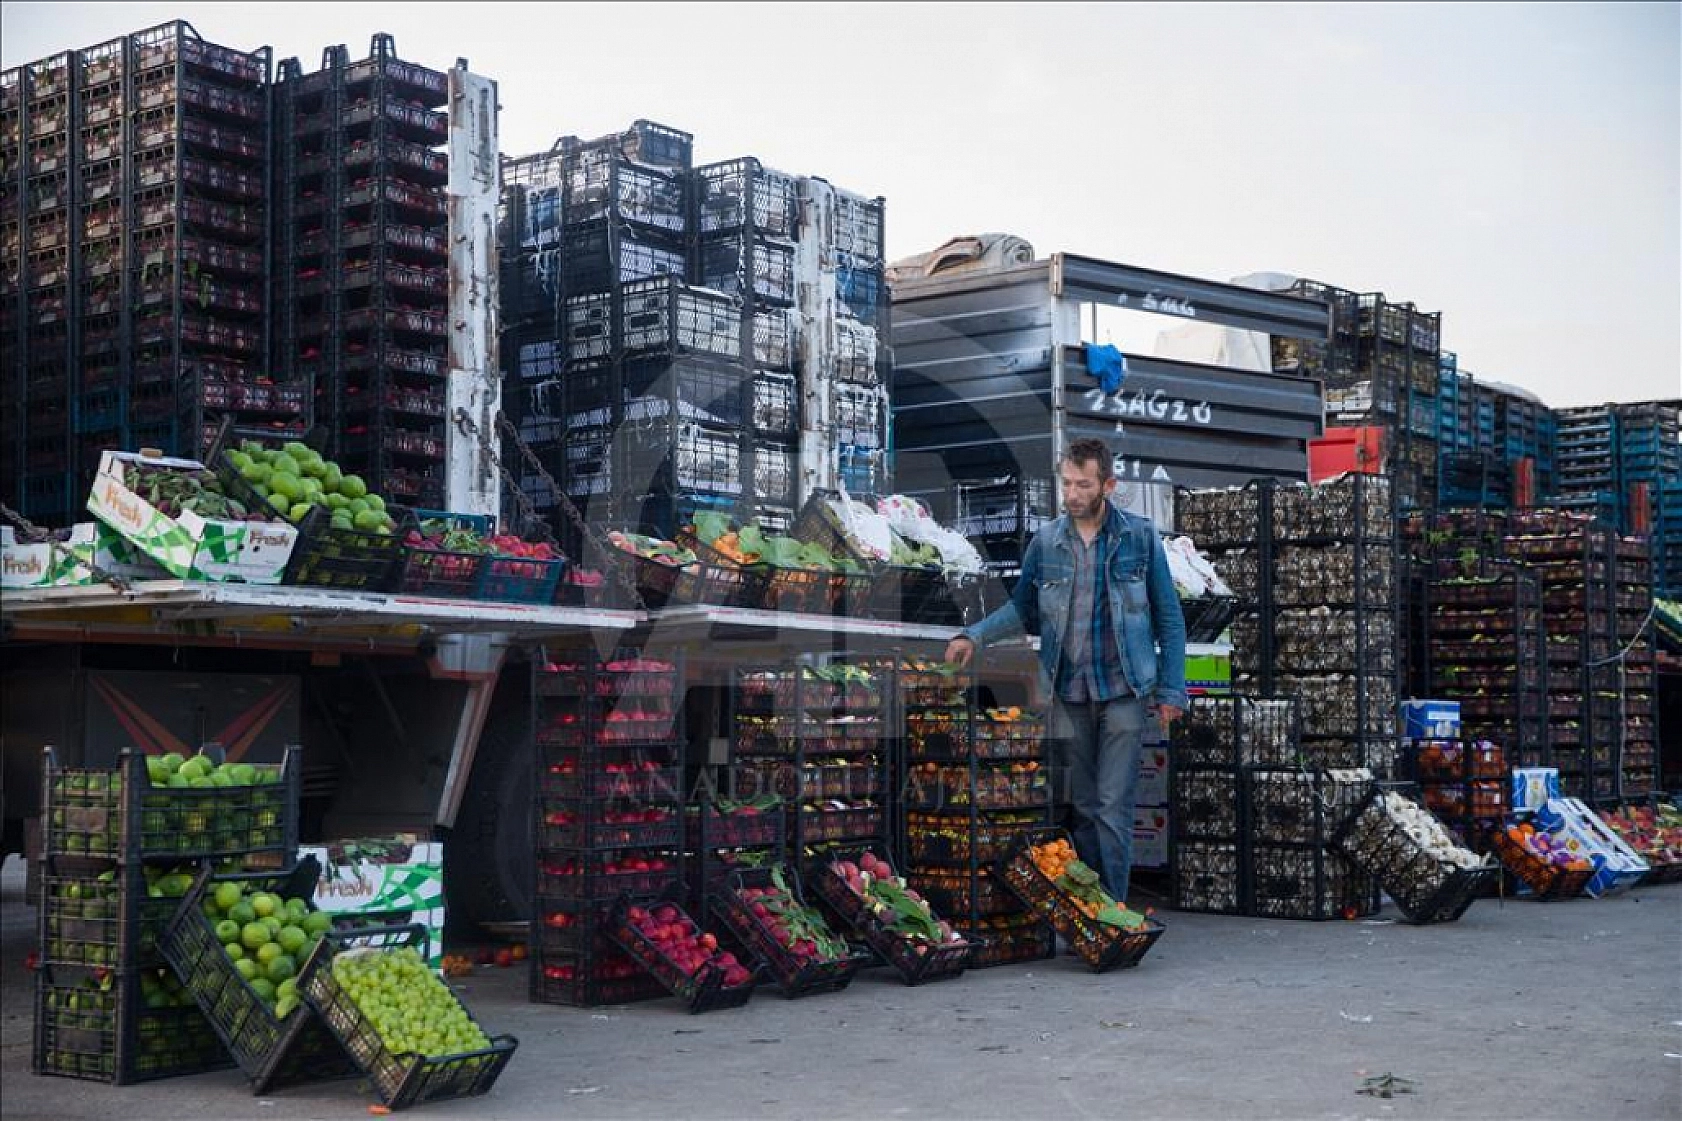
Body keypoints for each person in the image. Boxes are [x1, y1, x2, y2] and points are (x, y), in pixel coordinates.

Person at [946, 438, 1187, 904]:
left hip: (1125, 690)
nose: (1072, 493)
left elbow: (1170, 618)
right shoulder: (1047, 541)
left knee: (1113, 808)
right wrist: (972, 636)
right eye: (1067, 483)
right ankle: (1086, 905)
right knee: (1083, 807)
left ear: (1108, 485)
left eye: (1083, 484)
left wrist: (1171, 691)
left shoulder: (1138, 537)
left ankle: (1110, 910)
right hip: (1069, 692)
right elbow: (1022, 609)